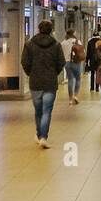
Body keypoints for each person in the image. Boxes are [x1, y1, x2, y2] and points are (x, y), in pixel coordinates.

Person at [21, 20, 65, 148]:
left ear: (39, 29)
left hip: (35, 81)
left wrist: (31, 73)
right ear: (51, 30)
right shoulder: (56, 45)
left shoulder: (29, 44)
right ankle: (43, 137)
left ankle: (39, 134)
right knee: (47, 111)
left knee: (38, 110)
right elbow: (61, 62)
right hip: (50, 82)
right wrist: (54, 72)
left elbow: (25, 62)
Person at [60, 28, 83, 105]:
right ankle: (76, 96)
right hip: (76, 62)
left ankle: (70, 99)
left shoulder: (63, 42)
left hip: (67, 63)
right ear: (73, 34)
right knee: (78, 79)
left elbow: (61, 54)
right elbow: (82, 51)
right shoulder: (77, 42)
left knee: (70, 80)